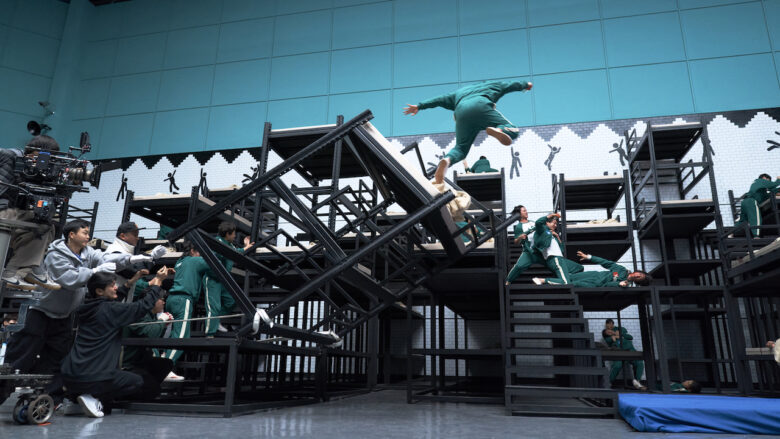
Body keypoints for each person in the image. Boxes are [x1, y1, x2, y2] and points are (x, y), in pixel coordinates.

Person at [3, 219, 166, 403]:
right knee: (20, 358)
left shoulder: (87, 252)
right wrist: (94, 271)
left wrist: (139, 258)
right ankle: (2, 392)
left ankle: (48, 401)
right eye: (85, 232)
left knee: (55, 362)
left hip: (64, 317)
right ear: (72, 235)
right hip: (40, 312)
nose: (88, 236)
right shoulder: (55, 255)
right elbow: (69, 279)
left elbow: (107, 259)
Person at [61, 267, 170, 418]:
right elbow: (142, 306)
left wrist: (131, 282)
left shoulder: (87, 308)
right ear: (99, 291)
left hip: (70, 375)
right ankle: (94, 397)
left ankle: (75, 400)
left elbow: (111, 304)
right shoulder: (111, 310)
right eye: (112, 286)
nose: (116, 287)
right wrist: (158, 283)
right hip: (95, 376)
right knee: (137, 382)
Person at [403, 80, 533, 184]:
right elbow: (510, 85)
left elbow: (439, 100)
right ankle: (499, 129)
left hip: (461, 114)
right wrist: (526, 85)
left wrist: (420, 105)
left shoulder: (459, 92)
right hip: (481, 106)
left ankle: (447, 159)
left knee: (460, 148)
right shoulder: (493, 85)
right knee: (513, 130)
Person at [0, 135, 61, 290]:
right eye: (40, 157)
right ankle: (20, 271)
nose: (42, 162)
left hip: (10, 213)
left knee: (45, 225)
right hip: (4, 211)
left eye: (49, 159)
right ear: (30, 151)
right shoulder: (10, 156)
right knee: (41, 224)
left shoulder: (38, 172)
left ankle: (20, 271)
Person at [161, 240, 218, 374]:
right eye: (199, 252)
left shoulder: (180, 262)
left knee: (170, 335)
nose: (200, 255)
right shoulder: (195, 261)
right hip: (183, 300)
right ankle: (164, 369)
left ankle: (162, 360)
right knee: (181, 338)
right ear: (193, 251)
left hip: (171, 299)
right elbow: (213, 262)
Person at [505, 207, 582, 285]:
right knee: (519, 266)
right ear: (519, 214)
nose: (526, 212)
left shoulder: (532, 222)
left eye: (526, 210)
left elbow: (543, 228)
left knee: (552, 265)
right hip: (529, 252)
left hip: (539, 250)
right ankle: (508, 281)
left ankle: (562, 280)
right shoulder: (519, 226)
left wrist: (551, 232)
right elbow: (516, 241)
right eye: (524, 211)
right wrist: (520, 237)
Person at [203, 221, 253, 337]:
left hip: (224, 279)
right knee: (213, 307)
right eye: (233, 233)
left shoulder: (229, 244)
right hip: (213, 279)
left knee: (232, 301)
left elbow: (236, 252)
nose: (235, 236)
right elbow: (210, 260)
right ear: (227, 234)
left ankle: (216, 321)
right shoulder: (217, 243)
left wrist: (246, 247)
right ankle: (210, 334)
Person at [536, 251, 651, 287]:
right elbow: (605, 263)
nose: (637, 276)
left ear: (638, 282)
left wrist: (619, 284)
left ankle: (544, 280)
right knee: (574, 273)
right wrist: (589, 257)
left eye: (640, 278)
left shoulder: (626, 286)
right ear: (638, 271)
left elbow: (607, 285)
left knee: (572, 283)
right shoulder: (622, 270)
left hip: (595, 285)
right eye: (640, 274)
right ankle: (549, 261)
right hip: (594, 275)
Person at [105, 221, 153, 301]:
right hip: (112, 301)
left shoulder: (127, 251)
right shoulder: (114, 250)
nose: (137, 238)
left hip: (121, 301)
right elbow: (132, 271)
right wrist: (151, 258)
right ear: (123, 236)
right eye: (135, 235)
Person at [602, 319, 645, 390]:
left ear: (612, 324)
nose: (609, 327)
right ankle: (608, 382)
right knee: (617, 365)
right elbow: (609, 341)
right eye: (607, 325)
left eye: (610, 324)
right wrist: (615, 337)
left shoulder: (620, 329)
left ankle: (637, 382)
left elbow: (630, 337)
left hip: (630, 352)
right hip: (619, 354)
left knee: (639, 362)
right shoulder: (607, 336)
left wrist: (619, 334)